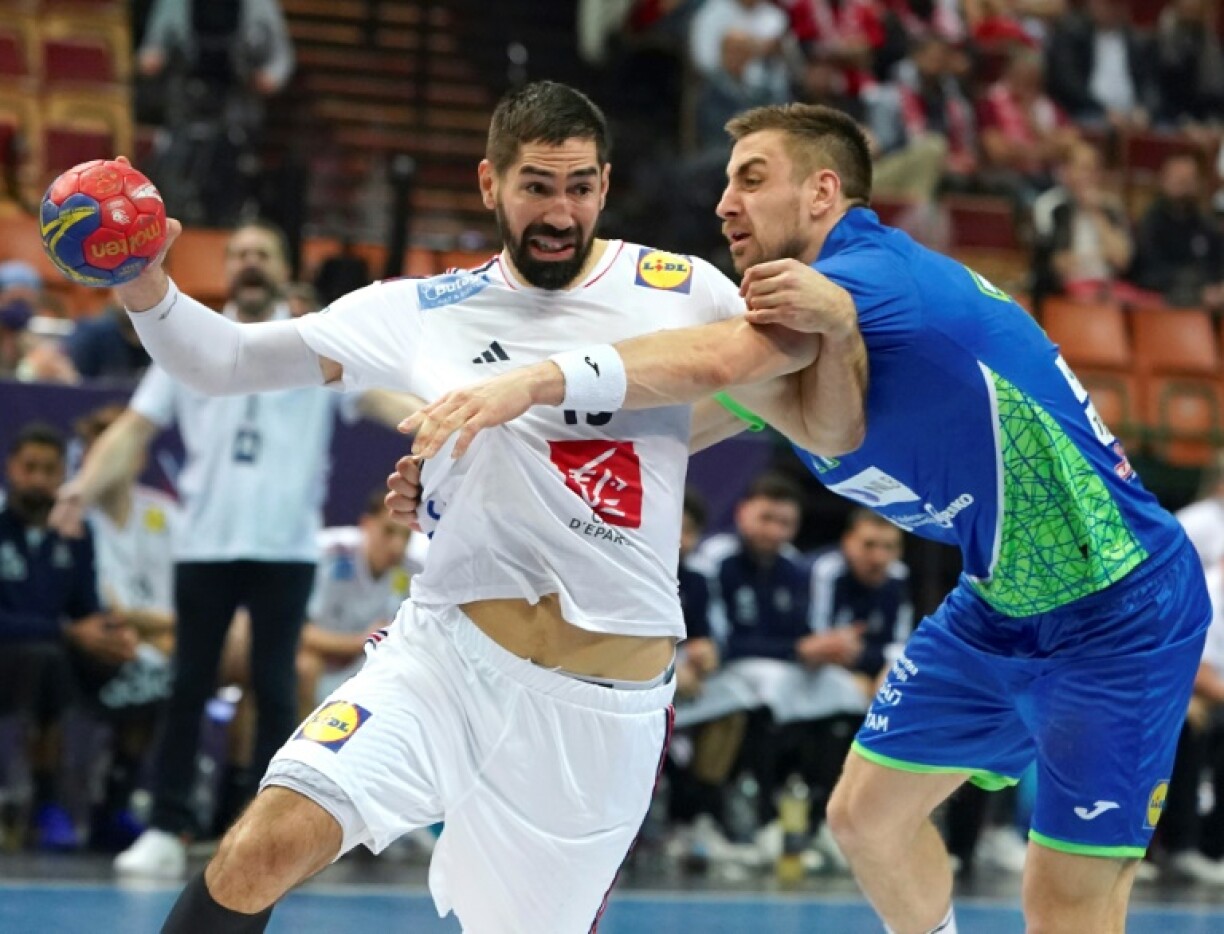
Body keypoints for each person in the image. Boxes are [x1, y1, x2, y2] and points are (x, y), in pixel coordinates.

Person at [406, 101, 1210, 933]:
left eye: (752, 180)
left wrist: (531, 380)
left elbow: (716, 356)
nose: (725, 203)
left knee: (1064, 905)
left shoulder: (871, 276)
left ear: (823, 192)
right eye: (727, 183)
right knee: (866, 819)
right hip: (1001, 605)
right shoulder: (816, 327)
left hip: (1122, 607)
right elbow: (671, 427)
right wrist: (484, 464)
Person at [59, 82, 815, 933]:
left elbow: (789, 372)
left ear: (605, 184)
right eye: (536, 186)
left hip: (599, 708)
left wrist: (664, 444)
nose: (559, 212)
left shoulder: (683, 290)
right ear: (490, 183)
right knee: (259, 851)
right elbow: (226, 361)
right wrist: (146, 284)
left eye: (579, 187)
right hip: (444, 661)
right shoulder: (420, 309)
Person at [49, 220, 417, 880]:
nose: (250, 263)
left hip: (285, 548)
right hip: (206, 545)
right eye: (240, 254)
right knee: (188, 686)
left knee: (276, 691)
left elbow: (379, 397)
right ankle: (167, 827)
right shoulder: (192, 346)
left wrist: (441, 417)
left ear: (283, 266)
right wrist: (82, 486)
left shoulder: (316, 341)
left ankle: (271, 837)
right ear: (226, 269)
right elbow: (133, 429)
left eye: (262, 254)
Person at [1, 423, 136, 850]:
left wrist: (112, 633)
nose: (38, 478)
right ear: (11, 468)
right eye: (30, 467)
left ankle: (115, 805)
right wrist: (66, 631)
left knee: (146, 671)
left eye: (49, 469)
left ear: (64, 474)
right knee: (46, 662)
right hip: (13, 657)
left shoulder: (75, 532)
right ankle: (44, 802)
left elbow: (85, 607)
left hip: (59, 652)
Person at [295, 489, 421, 719]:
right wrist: (360, 642)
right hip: (321, 660)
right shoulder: (329, 555)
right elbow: (299, 633)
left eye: (406, 537)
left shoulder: (416, 575)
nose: (397, 546)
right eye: (389, 532)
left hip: (372, 668)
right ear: (367, 525)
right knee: (305, 667)